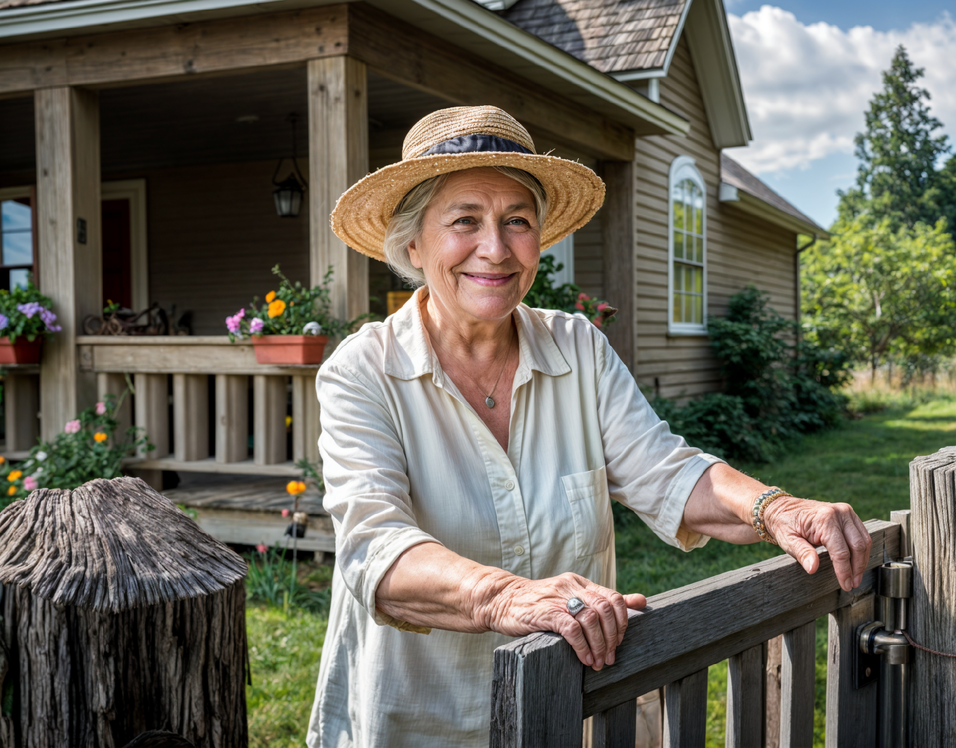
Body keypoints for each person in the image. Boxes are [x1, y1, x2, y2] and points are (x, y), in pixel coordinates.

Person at [307, 105, 871, 748]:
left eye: (516, 221)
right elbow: (375, 551)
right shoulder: (364, 370)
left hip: (566, 711)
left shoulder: (577, 348)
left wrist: (776, 509)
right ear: (414, 245)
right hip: (419, 720)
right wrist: (507, 598)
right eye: (465, 221)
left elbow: (667, 472)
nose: (495, 247)